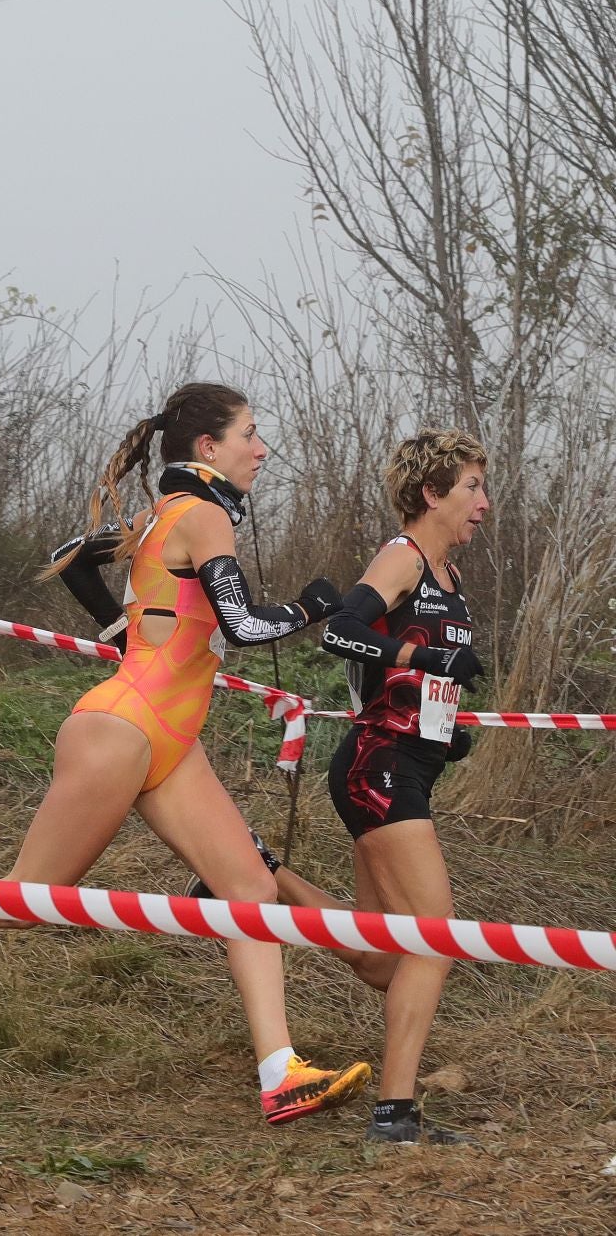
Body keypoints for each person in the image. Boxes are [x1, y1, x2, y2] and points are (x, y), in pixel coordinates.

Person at [0, 383, 374, 1127]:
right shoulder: (205, 514)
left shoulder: (163, 513)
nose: (263, 449)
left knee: (248, 890)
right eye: (251, 434)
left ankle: (280, 1073)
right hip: (122, 729)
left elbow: (69, 559)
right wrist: (321, 604)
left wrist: (121, 629)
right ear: (209, 450)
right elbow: (246, 627)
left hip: (166, 738)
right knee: (25, 897)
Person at [311, 430, 490, 1146]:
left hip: (408, 760)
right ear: (432, 493)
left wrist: (444, 729)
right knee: (434, 936)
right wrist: (426, 654)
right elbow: (343, 631)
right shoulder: (403, 556)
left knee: (383, 958)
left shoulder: (449, 577)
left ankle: (258, 876)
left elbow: (414, 681)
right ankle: (395, 1115)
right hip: (375, 766)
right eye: (472, 487)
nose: (483, 503)